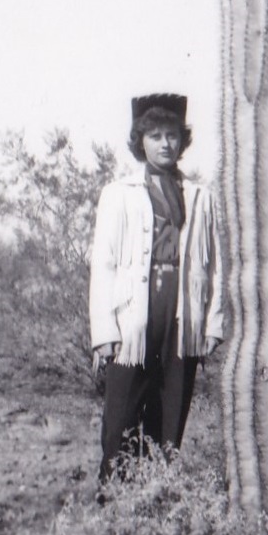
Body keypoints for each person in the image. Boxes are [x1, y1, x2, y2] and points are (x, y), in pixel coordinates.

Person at [88, 93, 223, 484]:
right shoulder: (118, 194)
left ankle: (158, 500)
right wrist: (105, 333)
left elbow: (215, 266)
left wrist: (213, 324)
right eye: (156, 135)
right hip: (133, 320)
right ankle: (113, 504)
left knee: (168, 423)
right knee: (120, 423)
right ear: (140, 141)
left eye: (172, 135)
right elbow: (104, 265)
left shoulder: (201, 197)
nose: (166, 143)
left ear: (182, 141)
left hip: (181, 318)